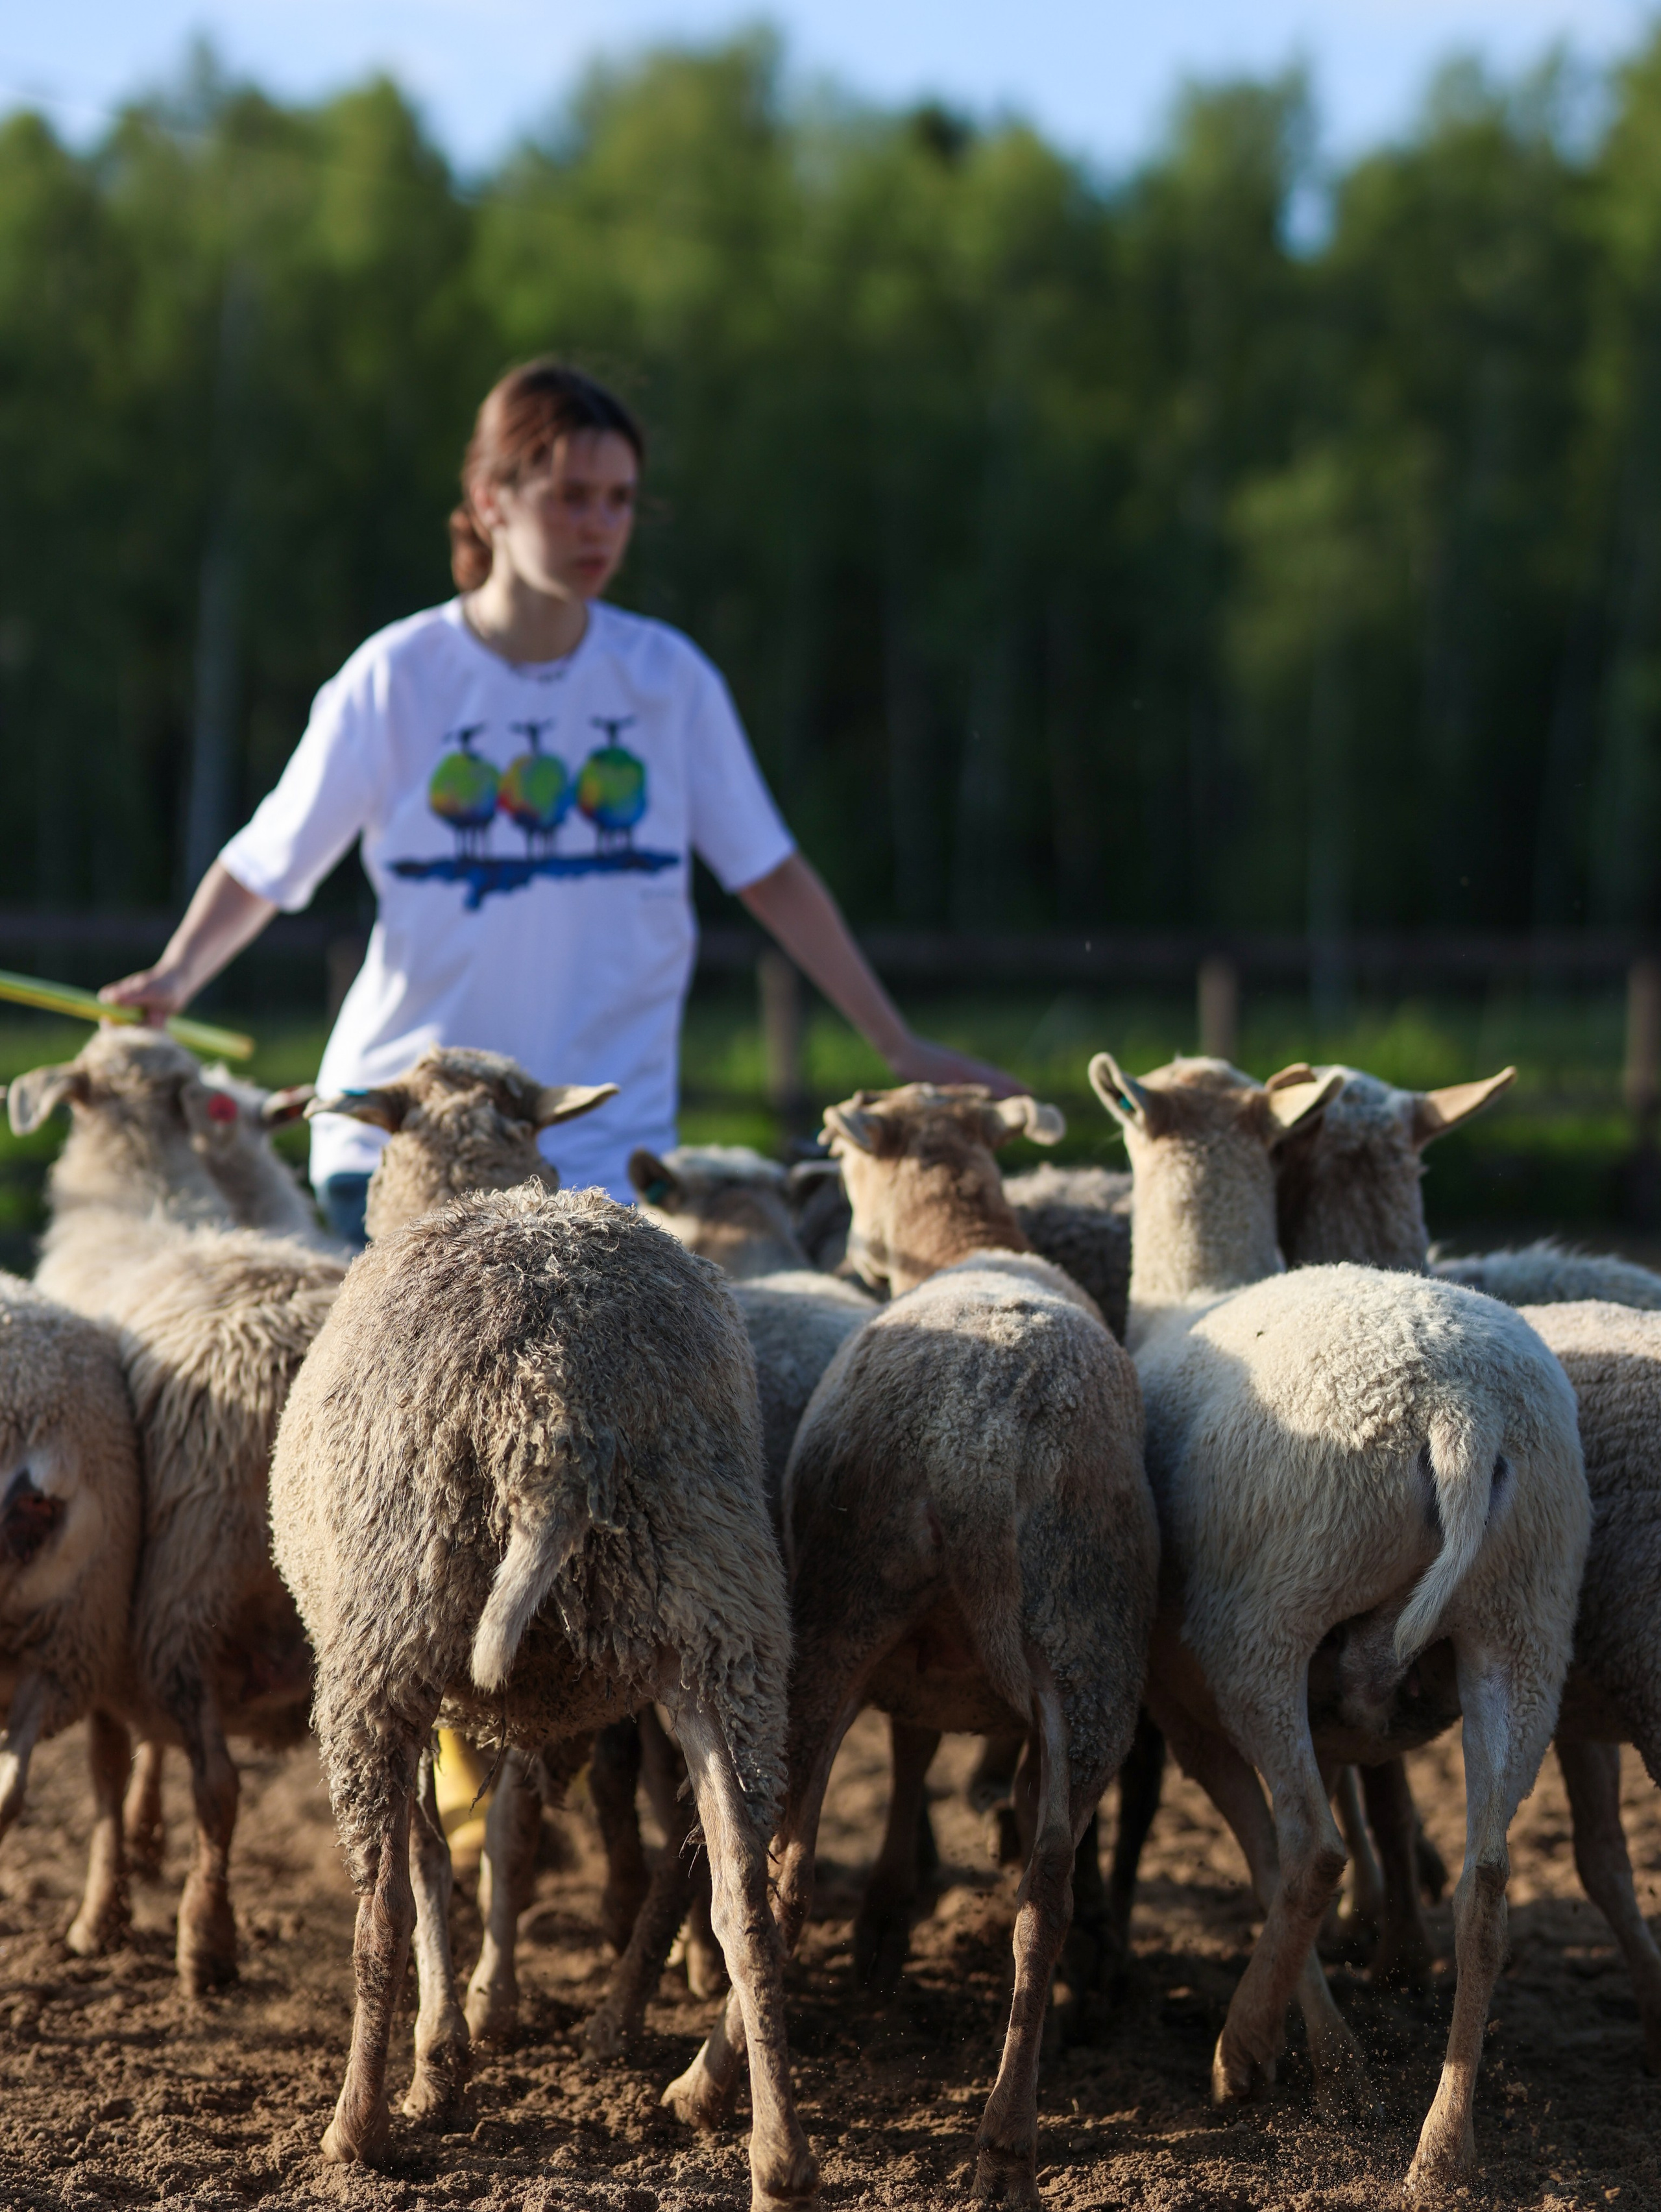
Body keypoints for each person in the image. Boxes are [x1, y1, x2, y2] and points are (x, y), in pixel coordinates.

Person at [103, 358, 1014, 1244]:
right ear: (493, 498)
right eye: (573, 496)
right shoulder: (396, 677)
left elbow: (771, 876)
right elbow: (267, 862)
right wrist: (176, 975)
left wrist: (897, 1043)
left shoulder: (669, 682)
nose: (601, 525)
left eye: (620, 499)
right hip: (413, 1142)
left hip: (610, 1159)